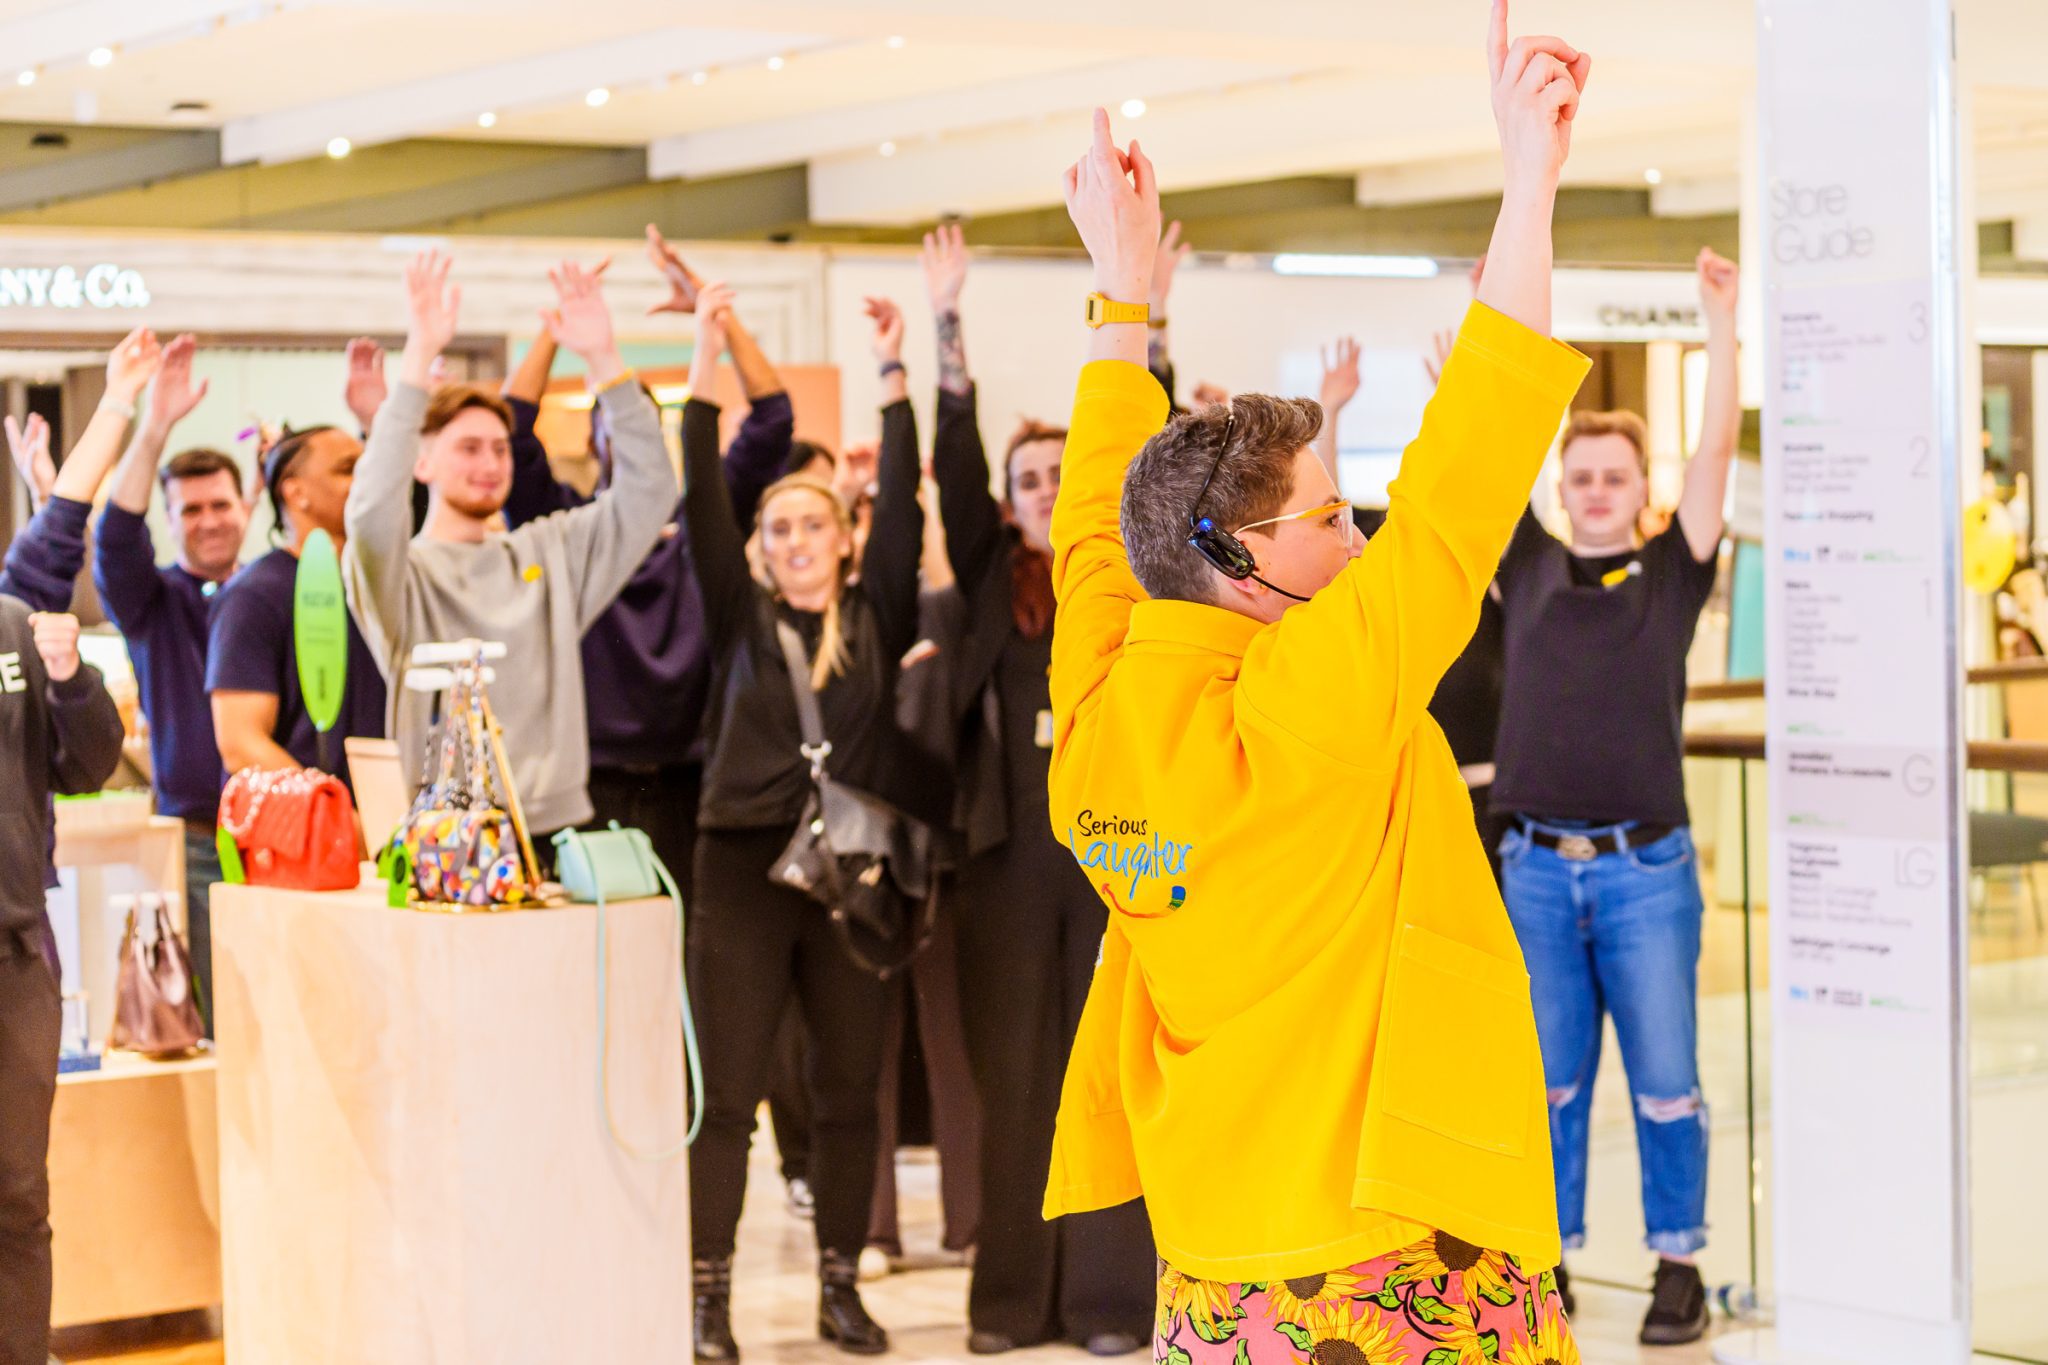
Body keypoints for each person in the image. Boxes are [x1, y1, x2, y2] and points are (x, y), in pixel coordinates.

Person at [1041, 5, 1592, 1359]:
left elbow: (1087, 534)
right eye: (1333, 517)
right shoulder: (1310, 702)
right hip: (1395, 1243)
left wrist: (1125, 300)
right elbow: (1465, 484)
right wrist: (1532, 183)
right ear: (1236, 554)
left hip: (1219, 1262)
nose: (1359, 540)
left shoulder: (1101, 721)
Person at [1489, 246, 1741, 1347]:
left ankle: (1674, 1267)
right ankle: (1542, 1266)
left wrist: (1720, 330)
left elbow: (1718, 450)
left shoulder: (1674, 571)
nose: (1595, 490)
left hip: (1646, 876)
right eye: (1579, 476)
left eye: (1614, 476)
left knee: (1666, 1083)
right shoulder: (1531, 566)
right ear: (1560, 490)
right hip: (1535, 871)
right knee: (1544, 1088)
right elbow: (1481, 454)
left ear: (1642, 491)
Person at [683, 283, 937, 1362]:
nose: (793, 539)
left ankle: (840, 1284)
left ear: (845, 537)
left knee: (846, 1091)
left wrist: (892, 371)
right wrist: (702, 359)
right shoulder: (738, 615)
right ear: (759, 545)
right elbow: (699, 490)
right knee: (727, 1098)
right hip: (740, 869)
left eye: (812, 523)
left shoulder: (876, 611)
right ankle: (707, 1298)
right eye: (777, 526)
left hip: (852, 881)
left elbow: (916, 514)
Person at [917, 226, 1154, 1356]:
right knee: (1014, 1088)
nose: (1045, 490)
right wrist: (944, 328)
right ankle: (1011, 1304)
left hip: (1116, 860)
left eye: (1063, 477)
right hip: (1006, 868)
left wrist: (1141, 305)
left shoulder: (1122, 592)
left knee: (1109, 1075)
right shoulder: (984, 586)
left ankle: (1111, 1304)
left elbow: (1137, 448)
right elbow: (952, 468)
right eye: (1029, 480)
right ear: (1009, 502)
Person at [342, 253, 677, 844]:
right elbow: (370, 515)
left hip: (550, 830)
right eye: (468, 448)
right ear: (423, 462)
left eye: (499, 448)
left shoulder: (549, 552)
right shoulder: (400, 577)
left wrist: (603, 358)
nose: (490, 463)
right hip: (436, 837)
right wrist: (417, 362)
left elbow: (652, 494)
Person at [501, 232, 794, 904]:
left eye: (645, 423)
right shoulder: (568, 532)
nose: (628, 435)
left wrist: (712, 315)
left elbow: (772, 419)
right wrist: (557, 332)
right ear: (596, 438)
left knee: (689, 962)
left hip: (696, 780)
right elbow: (513, 434)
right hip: (589, 780)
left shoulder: (706, 530)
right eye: (612, 419)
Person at [95, 333, 243, 1021]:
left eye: (220, 504)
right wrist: (154, 424)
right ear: (172, 518)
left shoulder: (280, 594)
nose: (209, 520)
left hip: (288, 836)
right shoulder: (150, 602)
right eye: (191, 509)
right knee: (215, 1016)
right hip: (195, 840)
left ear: (247, 507)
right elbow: (116, 535)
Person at [0, 602, 123, 1365]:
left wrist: (71, 678)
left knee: (16, 1194)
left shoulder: (15, 626)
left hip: (13, 957)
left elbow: (90, 765)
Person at [207, 407, 389, 782]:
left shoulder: (374, 585)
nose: (365, 480)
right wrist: (334, 813)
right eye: (347, 469)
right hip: (299, 831)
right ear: (296, 491)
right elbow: (241, 744)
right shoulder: (254, 595)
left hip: (384, 823)